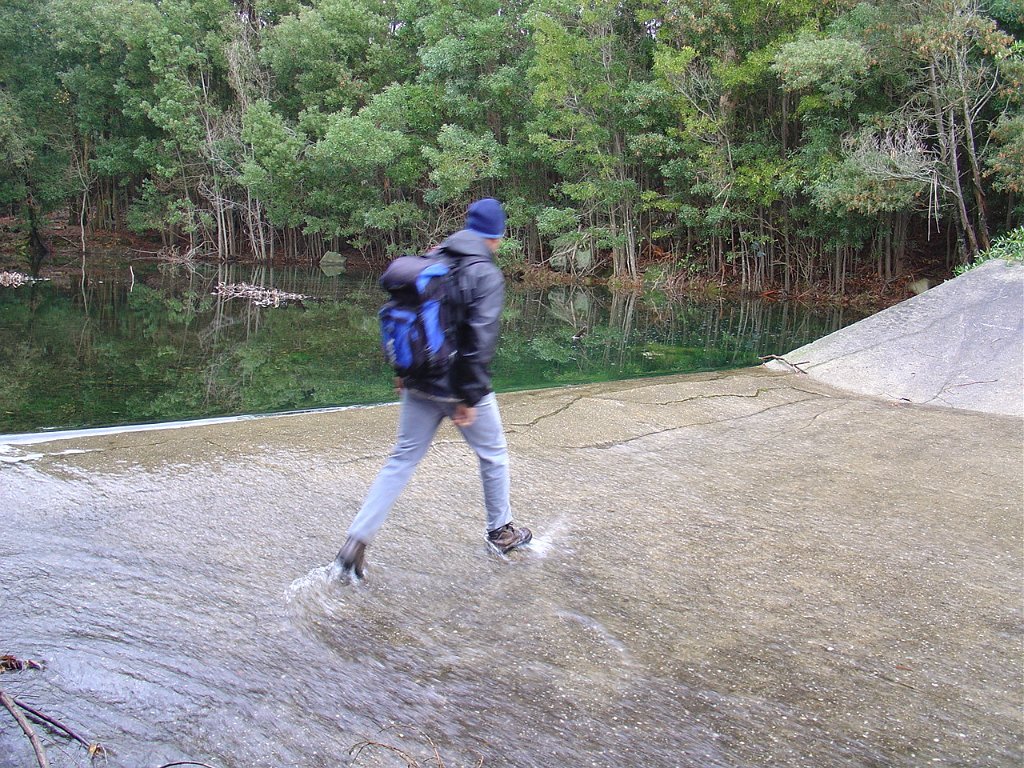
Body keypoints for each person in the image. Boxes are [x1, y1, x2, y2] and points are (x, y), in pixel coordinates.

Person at [332, 198, 532, 579]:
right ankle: (501, 532)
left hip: (418, 379)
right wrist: (468, 397)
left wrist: (402, 372)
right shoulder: (485, 273)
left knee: (402, 458)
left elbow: (406, 319)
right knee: (493, 453)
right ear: (496, 236)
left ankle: (355, 542)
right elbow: (479, 342)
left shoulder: (434, 257)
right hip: (456, 386)